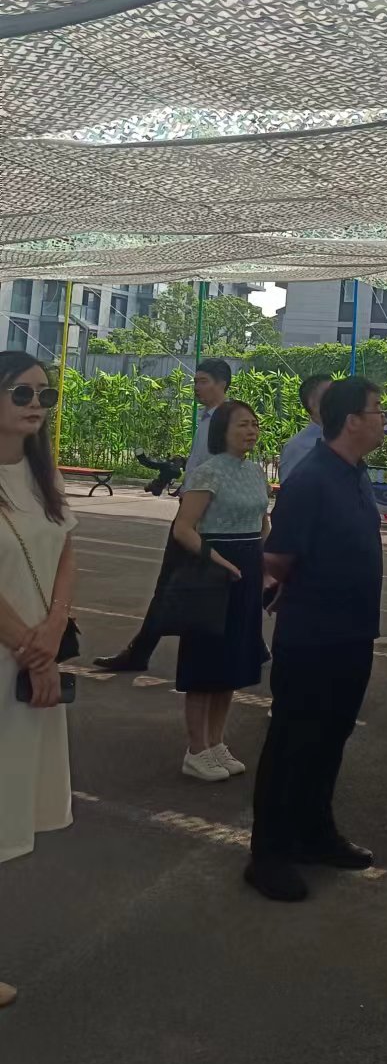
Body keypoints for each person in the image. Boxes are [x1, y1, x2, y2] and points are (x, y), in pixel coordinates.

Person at [245, 376, 386, 903]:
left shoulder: (356, 472)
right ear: (351, 421)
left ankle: (315, 833)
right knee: (293, 742)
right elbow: (278, 558)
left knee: (331, 737)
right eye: (377, 410)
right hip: (312, 636)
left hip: (354, 632)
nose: (383, 419)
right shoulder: (311, 479)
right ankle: (268, 854)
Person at [0, 352, 77, 1007]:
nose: (35, 405)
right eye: (21, 392)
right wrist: (32, 647)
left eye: (44, 396)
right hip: (15, 657)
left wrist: (53, 628)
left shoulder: (40, 474)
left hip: (29, 662)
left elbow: (65, 549)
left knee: (8, 803)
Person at [93, 358, 233, 672]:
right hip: (194, 509)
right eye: (195, 381)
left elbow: (221, 468)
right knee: (188, 581)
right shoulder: (207, 418)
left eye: (203, 381)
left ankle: (138, 653)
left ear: (222, 383)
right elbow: (203, 464)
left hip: (202, 515)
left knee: (173, 582)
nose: (196, 387)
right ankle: (140, 652)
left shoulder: (226, 420)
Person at [171, 400, 270, 781]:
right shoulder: (208, 472)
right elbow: (183, 528)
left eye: (254, 424)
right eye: (242, 424)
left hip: (247, 572)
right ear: (222, 430)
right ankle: (196, 749)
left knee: (232, 662)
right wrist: (219, 561)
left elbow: (262, 522)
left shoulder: (256, 472)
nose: (251, 431)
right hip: (212, 576)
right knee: (205, 661)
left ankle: (216, 742)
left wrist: (265, 563)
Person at [277, 374, 333, 483]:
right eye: (331, 395)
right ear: (313, 403)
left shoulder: (346, 438)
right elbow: (291, 490)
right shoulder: (296, 447)